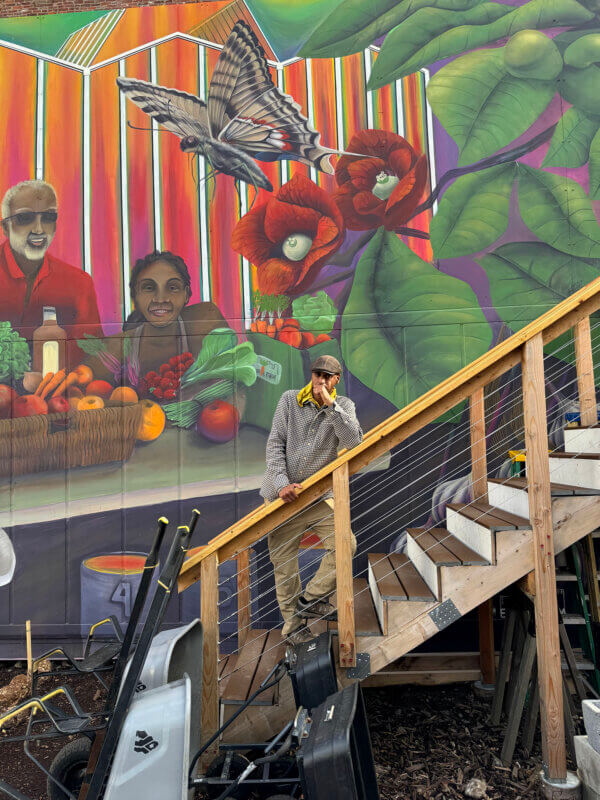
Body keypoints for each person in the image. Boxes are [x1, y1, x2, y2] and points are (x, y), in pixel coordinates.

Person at [261, 355, 363, 645]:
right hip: (282, 500)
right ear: (311, 374)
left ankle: (311, 598)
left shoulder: (344, 406)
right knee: (284, 566)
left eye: (328, 376)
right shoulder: (289, 400)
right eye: (318, 373)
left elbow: (354, 443)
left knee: (346, 544)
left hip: (318, 498)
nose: (321, 380)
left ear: (336, 380)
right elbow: (275, 443)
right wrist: (281, 485)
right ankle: (293, 629)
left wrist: (331, 406)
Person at [0, 179, 103, 364]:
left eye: (48, 217)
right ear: (6, 227)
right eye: (25, 218)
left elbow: (92, 356)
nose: (39, 229)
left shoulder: (78, 283)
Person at [87, 250, 227, 382]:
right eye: (149, 288)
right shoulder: (114, 348)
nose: (160, 299)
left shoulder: (206, 323)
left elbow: (234, 385)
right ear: (135, 295)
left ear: (186, 294)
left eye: (172, 288)